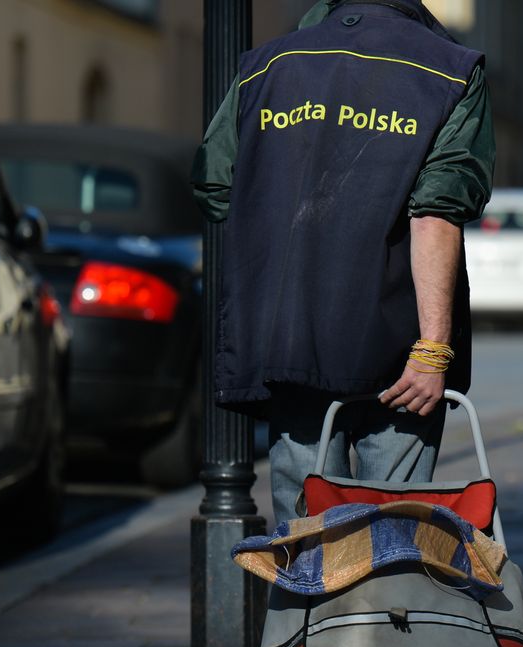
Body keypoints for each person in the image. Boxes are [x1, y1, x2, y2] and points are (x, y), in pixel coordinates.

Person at [192, 0, 494, 525]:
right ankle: (382, 609)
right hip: (397, 350)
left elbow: (217, 185)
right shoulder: (449, 68)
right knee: (394, 532)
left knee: (306, 536)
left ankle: (308, 607)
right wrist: (433, 350)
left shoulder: (266, 65)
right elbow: (437, 213)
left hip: (289, 336)